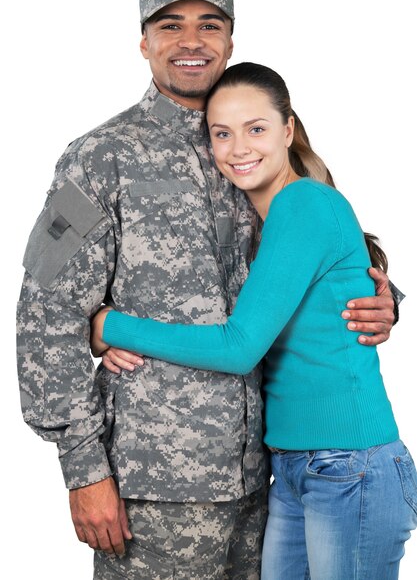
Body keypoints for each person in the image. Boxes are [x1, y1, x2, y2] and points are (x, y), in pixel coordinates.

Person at [16, 0, 400, 580]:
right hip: (155, 487)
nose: (191, 41)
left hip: (266, 478)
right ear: (144, 42)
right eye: (171, 26)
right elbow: (45, 312)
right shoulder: (99, 158)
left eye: (209, 25)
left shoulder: (252, 143)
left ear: (230, 40)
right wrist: (83, 468)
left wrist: (384, 299)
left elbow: (327, 251)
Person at [91, 62, 417, 580]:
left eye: (256, 128)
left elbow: (239, 346)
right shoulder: (258, 217)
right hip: (291, 466)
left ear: (288, 129)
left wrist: (109, 326)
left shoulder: (302, 204)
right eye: (222, 134)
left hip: (348, 465)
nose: (239, 148)